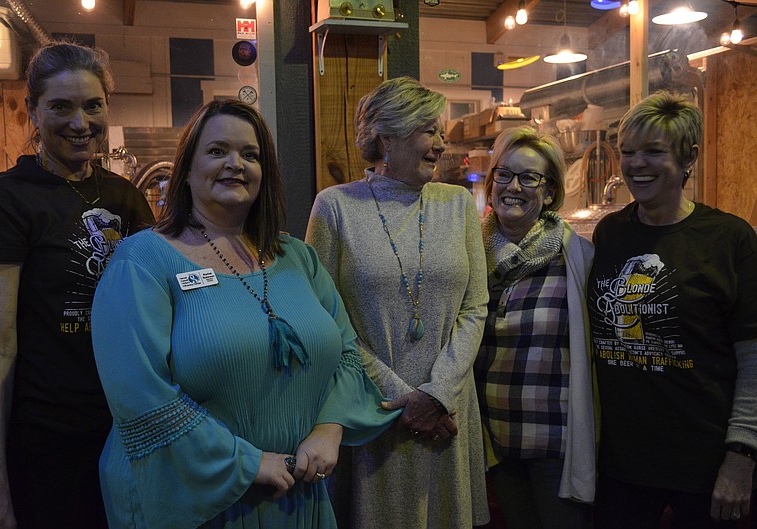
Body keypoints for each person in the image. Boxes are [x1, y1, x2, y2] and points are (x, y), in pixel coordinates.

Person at [90, 99, 400, 529]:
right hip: (194, 496)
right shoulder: (142, 261)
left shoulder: (298, 258)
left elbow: (346, 353)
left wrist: (330, 426)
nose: (235, 164)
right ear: (188, 167)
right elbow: (139, 394)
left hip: (296, 491)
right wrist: (245, 462)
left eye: (250, 155)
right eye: (217, 151)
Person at [0, 42, 154, 529]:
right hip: (48, 438)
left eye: (92, 105)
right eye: (61, 106)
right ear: (33, 111)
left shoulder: (125, 197)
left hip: (128, 428)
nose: (80, 122)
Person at [306, 76, 490, 528]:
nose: (441, 145)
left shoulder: (460, 204)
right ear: (387, 136)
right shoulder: (334, 208)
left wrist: (439, 394)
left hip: (449, 415)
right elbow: (324, 322)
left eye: (441, 133)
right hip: (374, 415)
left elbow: (475, 307)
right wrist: (402, 398)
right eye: (430, 131)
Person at [587, 91, 757, 528]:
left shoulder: (729, 239)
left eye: (653, 152)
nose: (635, 164)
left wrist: (742, 457)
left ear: (689, 158)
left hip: (705, 468)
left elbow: (753, 360)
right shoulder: (610, 234)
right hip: (622, 466)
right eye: (627, 152)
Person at [473, 126, 596, 529]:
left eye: (529, 178)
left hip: (555, 447)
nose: (514, 186)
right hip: (494, 443)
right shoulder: (468, 254)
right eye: (504, 174)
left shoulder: (576, 257)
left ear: (549, 193)